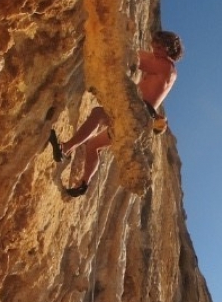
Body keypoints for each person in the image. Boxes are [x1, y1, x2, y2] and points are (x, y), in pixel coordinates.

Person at [48, 30, 183, 197]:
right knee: (93, 146)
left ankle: (65, 149)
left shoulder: (167, 67)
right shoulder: (160, 61)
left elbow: (133, 57)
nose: (155, 50)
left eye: (159, 48)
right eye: (154, 45)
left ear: (169, 50)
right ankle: (83, 184)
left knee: (98, 115)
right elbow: (136, 52)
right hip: (138, 117)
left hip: (138, 112)